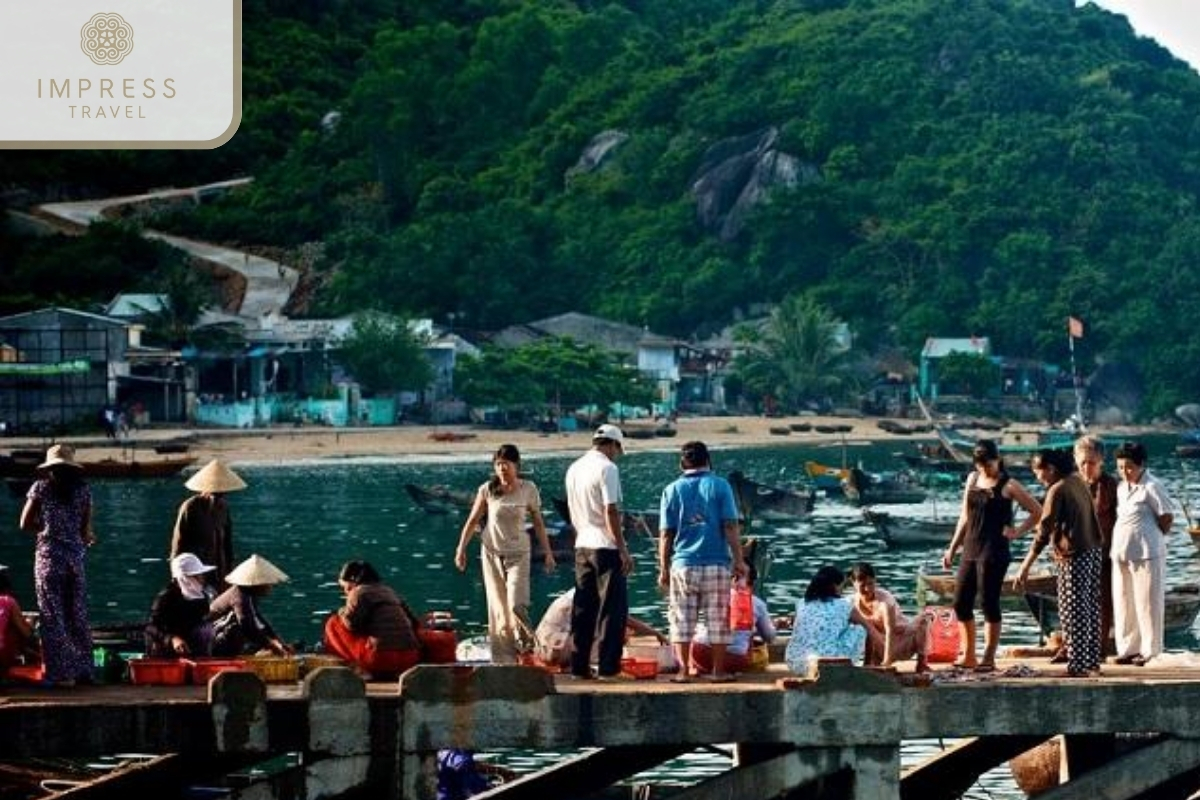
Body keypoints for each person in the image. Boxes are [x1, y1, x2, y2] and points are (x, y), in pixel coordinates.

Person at [941, 439, 1041, 672]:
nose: (985, 469)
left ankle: (988, 656)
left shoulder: (1009, 485)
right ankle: (969, 654)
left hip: (994, 549)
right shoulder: (972, 480)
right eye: (981, 465)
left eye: (989, 464)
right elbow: (965, 516)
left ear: (998, 460)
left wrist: (1017, 532)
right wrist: (952, 548)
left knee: (988, 602)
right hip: (971, 547)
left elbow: (1037, 510)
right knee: (960, 603)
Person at [454, 444, 556, 664]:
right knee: (498, 610)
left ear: (516, 465)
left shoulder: (529, 488)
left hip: (519, 554)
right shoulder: (487, 490)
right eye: (498, 465)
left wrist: (548, 553)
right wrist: (461, 549)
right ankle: (504, 661)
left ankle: (527, 646)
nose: (502, 469)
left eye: (506, 464)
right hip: (491, 553)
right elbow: (472, 521)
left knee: (516, 604)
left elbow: (538, 523)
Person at [657, 440, 747, 683]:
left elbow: (666, 534)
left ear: (682, 462)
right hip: (717, 562)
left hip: (683, 564)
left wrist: (663, 568)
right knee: (718, 618)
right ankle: (717, 672)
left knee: (681, 618)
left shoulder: (671, 490)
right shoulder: (721, 486)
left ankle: (684, 671)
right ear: (708, 460)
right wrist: (739, 560)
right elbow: (730, 525)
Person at [1014, 449, 1104, 677]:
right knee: (1089, 609)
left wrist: (1025, 566)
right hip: (1093, 549)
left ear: (1050, 469)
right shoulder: (1077, 481)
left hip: (1074, 554)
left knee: (1072, 611)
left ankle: (1077, 666)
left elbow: (1043, 532)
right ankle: (1090, 661)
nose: (1038, 478)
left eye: (1038, 472)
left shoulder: (1057, 489)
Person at [18, 444, 97, 687]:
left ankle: (61, 674)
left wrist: (46, 531)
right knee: (77, 615)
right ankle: (84, 672)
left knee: (53, 616)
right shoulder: (83, 492)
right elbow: (86, 533)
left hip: (49, 558)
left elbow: (24, 524)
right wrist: (77, 538)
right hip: (74, 560)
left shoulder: (41, 488)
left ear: (50, 469)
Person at [564, 424, 632, 681]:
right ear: (612, 444)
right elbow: (610, 510)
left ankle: (579, 667)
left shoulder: (574, 468)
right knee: (612, 610)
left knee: (583, 608)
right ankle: (608, 668)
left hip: (582, 544)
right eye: (617, 449)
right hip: (606, 545)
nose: (616, 454)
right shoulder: (607, 468)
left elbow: (573, 511)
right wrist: (623, 549)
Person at [1110, 440, 1175, 666]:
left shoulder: (1152, 486)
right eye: (1120, 467)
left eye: (1129, 466)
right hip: (1121, 551)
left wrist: (1152, 536)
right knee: (1124, 601)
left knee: (1148, 604)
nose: (1124, 472)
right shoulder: (1121, 487)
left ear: (1141, 464)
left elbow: (1166, 517)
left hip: (1148, 551)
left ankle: (1150, 652)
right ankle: (1128, 649)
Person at [323, 559, 422, 679]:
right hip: (410, 657)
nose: (345, 591)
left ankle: (349, 669)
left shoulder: (359, 592)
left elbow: (351, 625)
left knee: (333, 623)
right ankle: (392, 671)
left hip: (380, 658)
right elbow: (415, 623)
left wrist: (341, 612)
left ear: (353, 580)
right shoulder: (390, 591)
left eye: (345, 586)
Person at [533, 587, 666, 670]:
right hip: (554, 651)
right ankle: (588, 665)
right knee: (618, 633)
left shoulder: (582, 589)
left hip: (543, 647)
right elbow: (623, 621)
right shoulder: (595, 594)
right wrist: (657, 634)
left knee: (615, 629)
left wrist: (655, 634)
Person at [170, 459, 247, 588]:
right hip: (197, 570)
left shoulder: (223, 508)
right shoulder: (190, 507)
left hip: (220, 569)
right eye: (215, 491)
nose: (219, 494)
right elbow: (178, 545)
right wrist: (176, 575)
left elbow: (227, 544)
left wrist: (230, 572)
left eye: (222, 491)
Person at [1074, 434, 1118, 657]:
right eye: (1082, 462)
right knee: (1075, 603)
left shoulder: (1112, 487)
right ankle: (1074, 646)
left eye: (1091, 462)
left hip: (1105, 555)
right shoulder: (1071, 485)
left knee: (1102, 603)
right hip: (1076, 553)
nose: (1086, 467)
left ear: (1101, 460)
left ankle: (1098, 647)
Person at [690, 564, 775, 675]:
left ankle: (693, 667)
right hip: (734, 660)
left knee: (693, 632)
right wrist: (774, 625)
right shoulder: (758, 604)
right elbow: (769, 637)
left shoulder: (713, 594)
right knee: (747, 635)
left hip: (700, 654)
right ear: (753, 582)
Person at [849, 562, 930, 673]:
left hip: (901, 642)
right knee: (863, 626)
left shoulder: (885, 601)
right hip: (878, 644)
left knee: (924, 619)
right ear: (853, 583)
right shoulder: (851, 602)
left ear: (875, 581)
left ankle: (922, 664)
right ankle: (868, 664)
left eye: (870, 584)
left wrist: (887, 662)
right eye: (862, 585)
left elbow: (890, 631)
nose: (867, 589)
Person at [784, 565, 868, 673]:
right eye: (842, 587)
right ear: (834, 586)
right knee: (860, 629)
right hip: (825, 665)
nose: (842, 591)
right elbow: (869, 629)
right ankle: (866, 665)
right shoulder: (845, 604)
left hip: (795, 662)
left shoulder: (802, 603)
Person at [209, 554, 294, 657]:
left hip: (222, 634)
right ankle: (225, 657)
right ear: (258, 584)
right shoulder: (240, 597)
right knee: (241, 628)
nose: (271, 587)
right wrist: (271, 646)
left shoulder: (249, 596)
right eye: (268, 584)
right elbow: (248, 627)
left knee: (259, 636)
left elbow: (260, 621)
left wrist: (279, 642)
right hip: (213, 639)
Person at [144, 553, 219, 658]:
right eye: (197, 575)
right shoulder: (166, 597)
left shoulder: (202, 597)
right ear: (185, 578)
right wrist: (172, 639)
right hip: (165, 647)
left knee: (208, 630)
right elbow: (151, 627)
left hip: (188, 644)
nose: (202, 579)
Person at [0, 565, 35, 677]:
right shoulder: (8, 601)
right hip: (2, 654)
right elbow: (27, 633)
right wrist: (30, 621)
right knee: (17, 629)